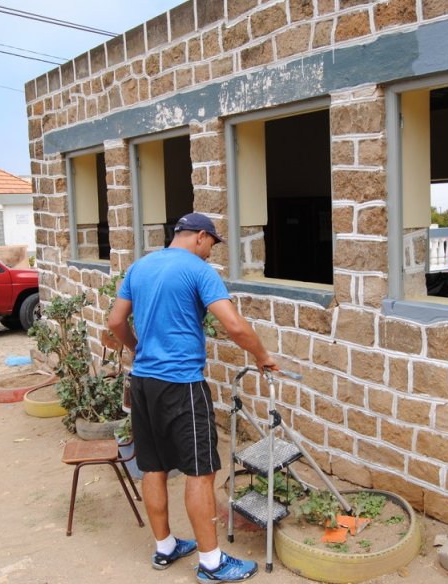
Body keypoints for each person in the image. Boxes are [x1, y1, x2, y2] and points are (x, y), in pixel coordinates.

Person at [108, 212, 277, 582]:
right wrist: (262, 356)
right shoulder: (199, 271)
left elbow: (116, 322)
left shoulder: (140, 267)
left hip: (143, 383)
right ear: (200, 236)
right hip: (181, 384)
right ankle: (212, 563)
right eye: (211, 245)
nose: (209, 254)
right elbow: (233, 325)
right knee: (201, 471)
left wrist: (137, 349)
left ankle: (165, 546)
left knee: (152, 466)